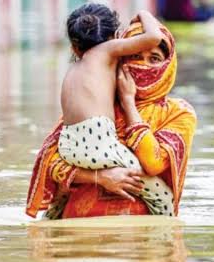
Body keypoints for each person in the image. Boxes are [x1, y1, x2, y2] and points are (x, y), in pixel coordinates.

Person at [26, 21, 197, 219]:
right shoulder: (97, 103)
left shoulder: (178, 113)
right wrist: (100, 177)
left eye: (154, 58)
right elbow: (52, 163)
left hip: (141, 234)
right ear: (121, 59)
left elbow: (154, 163)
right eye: (135, 56)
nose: (143, 66)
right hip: (79, 227)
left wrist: (128, 103)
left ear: (167, 66)